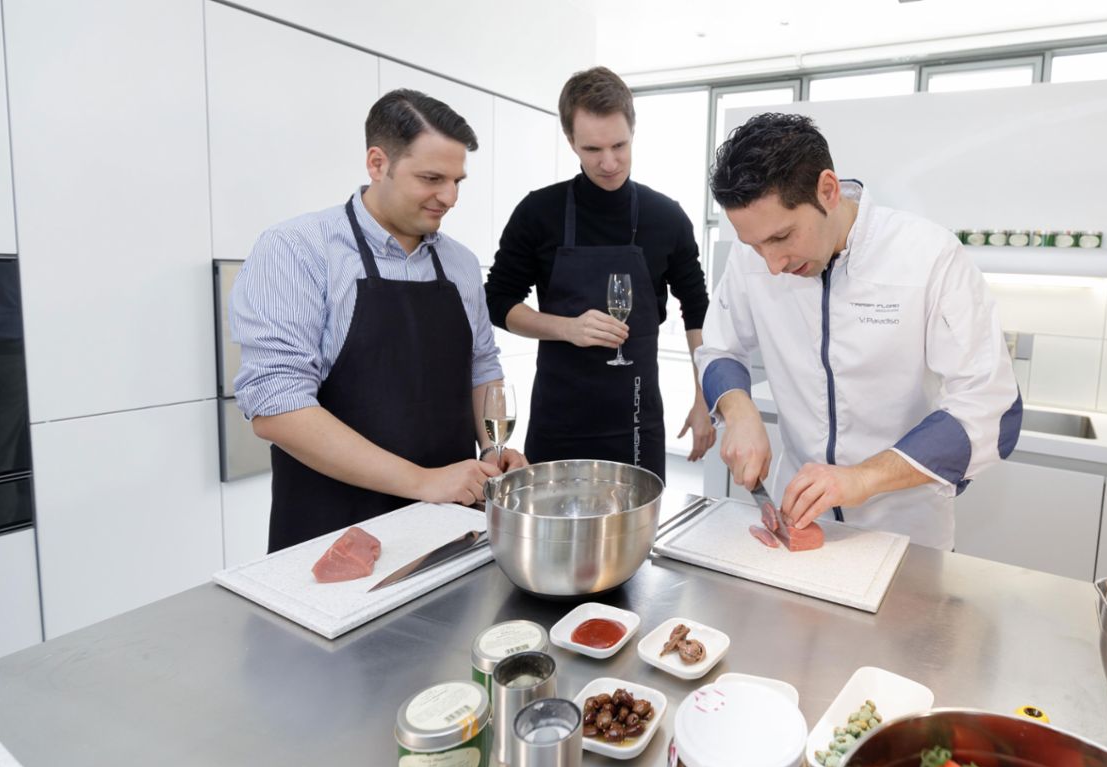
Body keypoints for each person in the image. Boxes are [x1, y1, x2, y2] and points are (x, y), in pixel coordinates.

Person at [698, 113, 1022, 549]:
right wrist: (738, 413)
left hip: (903, 529)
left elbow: (989, 407)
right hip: (796, 518)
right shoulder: (754, 256)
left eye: (782, 238)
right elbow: (720, 346)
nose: (771, 265)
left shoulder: (928, 256)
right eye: (755, 246)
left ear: (827, 191)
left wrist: (862, 479)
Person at [232, 89, 524, 553]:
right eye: (431, 178)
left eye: (457, 181)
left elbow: (482, 367)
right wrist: (423, 482)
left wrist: (490, 448)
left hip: (450, 526)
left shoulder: (462, 264)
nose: (448, 197)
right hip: (333, 534)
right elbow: (277, 409)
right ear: (377, 162)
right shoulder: (297, 250)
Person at [485, 67, 713, 483]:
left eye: (619, 145)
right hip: (559, 423)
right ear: (570, 141)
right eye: (592, 149)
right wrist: (565, 328)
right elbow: (498, 302)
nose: (609, 163)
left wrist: (704, 398)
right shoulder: (538, 213)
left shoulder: (666, 217)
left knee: (634, 544)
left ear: (633, 130)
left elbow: (696, 309)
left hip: (637, 420)